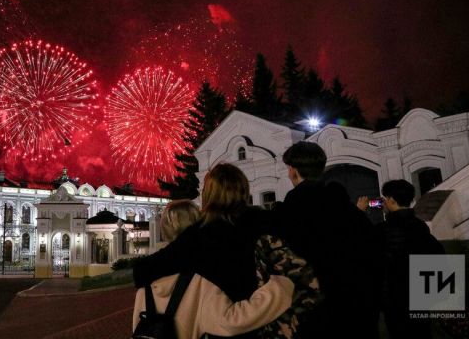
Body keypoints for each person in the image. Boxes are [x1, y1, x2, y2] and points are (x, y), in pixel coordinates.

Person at [134, 163, 320, 338]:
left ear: (208, 194)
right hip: (276, 321)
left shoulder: (199, 235)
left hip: (229, 327)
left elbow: (145, 270)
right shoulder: (268, 222)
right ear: (243, 189)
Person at [133, 200, 296, 339]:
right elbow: (230, 321)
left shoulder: (146, 280)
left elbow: (138, 327)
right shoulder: (200, 279)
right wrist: (279, 288)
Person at [272, 141, 382, 339]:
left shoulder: (291, 213)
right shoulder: (348, 210)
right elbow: (372, 256)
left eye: (288, 168)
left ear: (294, 170)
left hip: (313, 316)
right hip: (356, 311)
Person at [358, 180, 444, 339]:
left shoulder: (383, 230)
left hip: (395, 299)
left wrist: (359, 214)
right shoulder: (420, 226)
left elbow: (363, 249)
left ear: (391, 200)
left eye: (384, 198)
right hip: (420, 296)